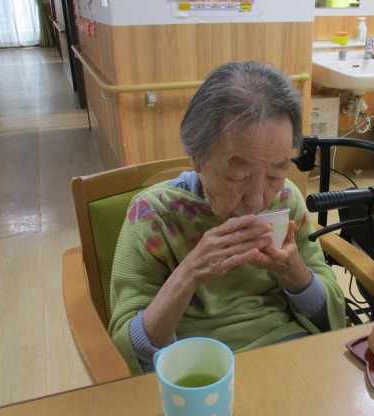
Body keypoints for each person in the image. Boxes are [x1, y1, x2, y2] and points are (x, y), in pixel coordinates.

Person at [109, 61, 346, 373]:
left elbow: (330, 315)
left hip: (285, 350)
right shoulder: (153, 215)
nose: (258, 199)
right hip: (193, 369)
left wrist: (294, 270)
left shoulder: (287, 199)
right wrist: (188, 275)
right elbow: (127, 346)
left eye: (276, 173)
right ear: (196, 157)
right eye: (239, 176)